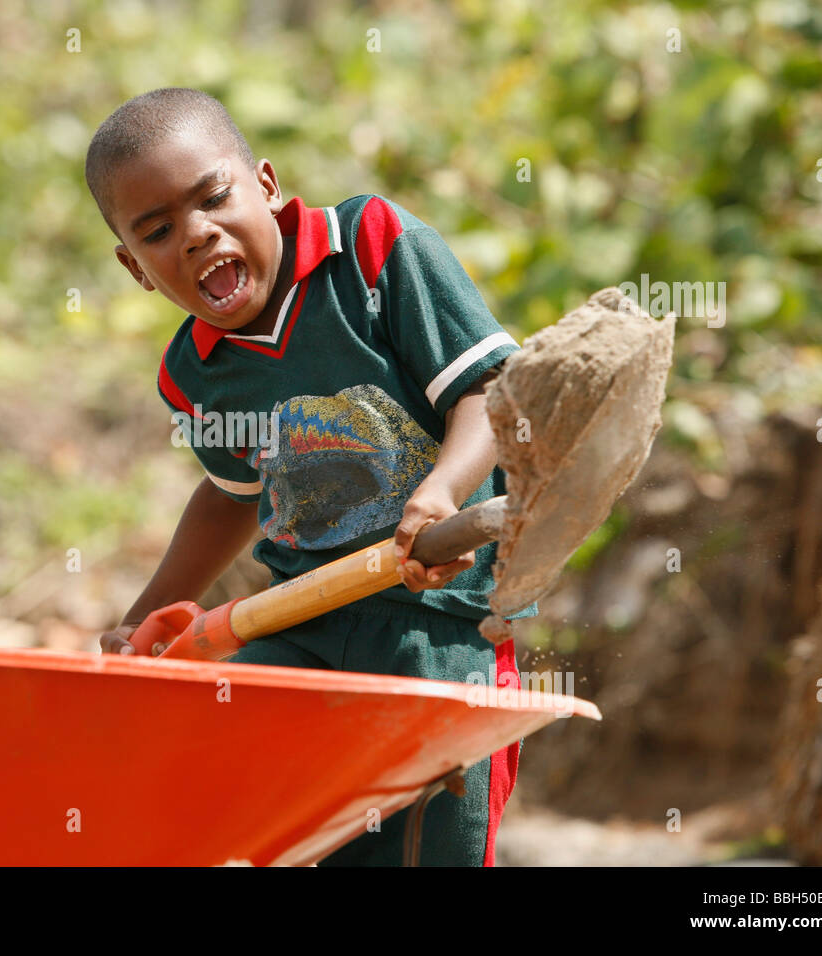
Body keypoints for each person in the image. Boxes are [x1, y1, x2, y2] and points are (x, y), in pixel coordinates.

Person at [84, 87, 534, 866]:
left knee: (430, 845)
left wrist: (441, 494)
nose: (195, 234)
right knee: (230, 805)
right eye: (157, 231)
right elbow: (231, 500)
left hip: (439, 629)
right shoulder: (196, 372)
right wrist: (143, 619)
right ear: (135, 267)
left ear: (265, 183)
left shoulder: (371, 250)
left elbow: (488, 392)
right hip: (298, 632)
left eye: (213, 197)